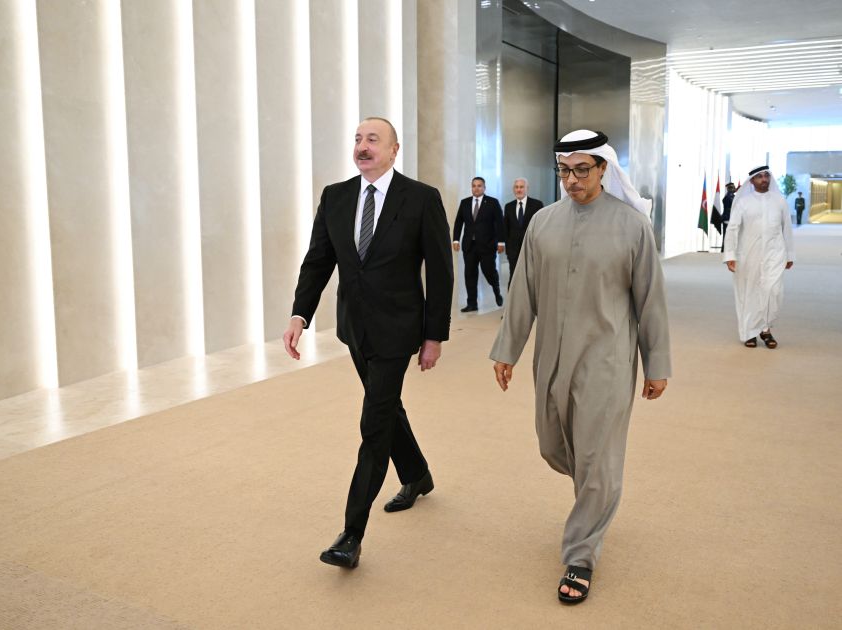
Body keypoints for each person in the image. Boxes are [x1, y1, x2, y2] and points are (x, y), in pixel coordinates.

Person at [489, 129, 671, 605]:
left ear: (603, 169)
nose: (572, 180)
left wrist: (656, 363)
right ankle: (596, 490)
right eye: (564, 171)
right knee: (553, 445)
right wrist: (507, 350)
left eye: (582, 170)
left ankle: (580, 555)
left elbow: (651, 301)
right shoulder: (543, 223)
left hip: (606, 359)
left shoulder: (632, 226)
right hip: (551, 358)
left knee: (596, 455)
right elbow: (523, 292)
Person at [283, 117, 453, 569]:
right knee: (388, 406)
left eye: (373, 139)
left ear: (394, 150)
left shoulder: (421, 198)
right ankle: (417, 474)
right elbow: (318, 261)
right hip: (354, 329)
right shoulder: (336, 196)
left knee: (374, 423)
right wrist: (300, 314)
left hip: (399, 330)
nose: (363, 146)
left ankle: (351, 534)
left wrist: (434, 335)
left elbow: (440, 272)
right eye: (358, 139)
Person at [723, 165, 795, 349]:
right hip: (749, 254)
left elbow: (787, 228)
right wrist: (730, 255)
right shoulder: (743, 202)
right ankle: (750, 332)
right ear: (752, 181)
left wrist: (789, 254)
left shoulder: (779, 201)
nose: (764, 179)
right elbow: (732, 229)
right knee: (750, 292)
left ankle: (765, 328)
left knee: (773, 291)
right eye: (759, 176)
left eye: (766, 176)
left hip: (775, 253)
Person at [452, 177, 505, 312]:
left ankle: (496, 290)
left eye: (479, 186)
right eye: (474, 186)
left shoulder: (492, 202)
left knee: (489, 271)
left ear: (484, 188)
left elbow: (500, 223)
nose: (476, 188)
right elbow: (459, 222)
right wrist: (456, 240)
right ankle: (472, 303)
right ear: (471, 187)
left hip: (487, 245)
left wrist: (501, 242)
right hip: (469, 245)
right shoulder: (465, 203)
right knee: (470, 274)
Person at [504, 177, 544, 288]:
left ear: (527, 188)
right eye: (516, 187)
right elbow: (505, 228)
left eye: (521, 187)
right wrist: (507, 246)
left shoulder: (537, 204)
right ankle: (512, 298)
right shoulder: (508, 206)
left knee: (530, 276)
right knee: (513, 275)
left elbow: (540, 227)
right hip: (513, 249)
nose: (519, 190)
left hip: (531, 247)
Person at [721, 182, 736, 252]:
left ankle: (729, 250)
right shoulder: (728, 197)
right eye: (732, 187)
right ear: (730, 188)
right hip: (728, 218)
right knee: (726, 235)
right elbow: (728, 208)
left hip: (731, 218)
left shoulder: (732, 196)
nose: (734, 189)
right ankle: (724, 250)